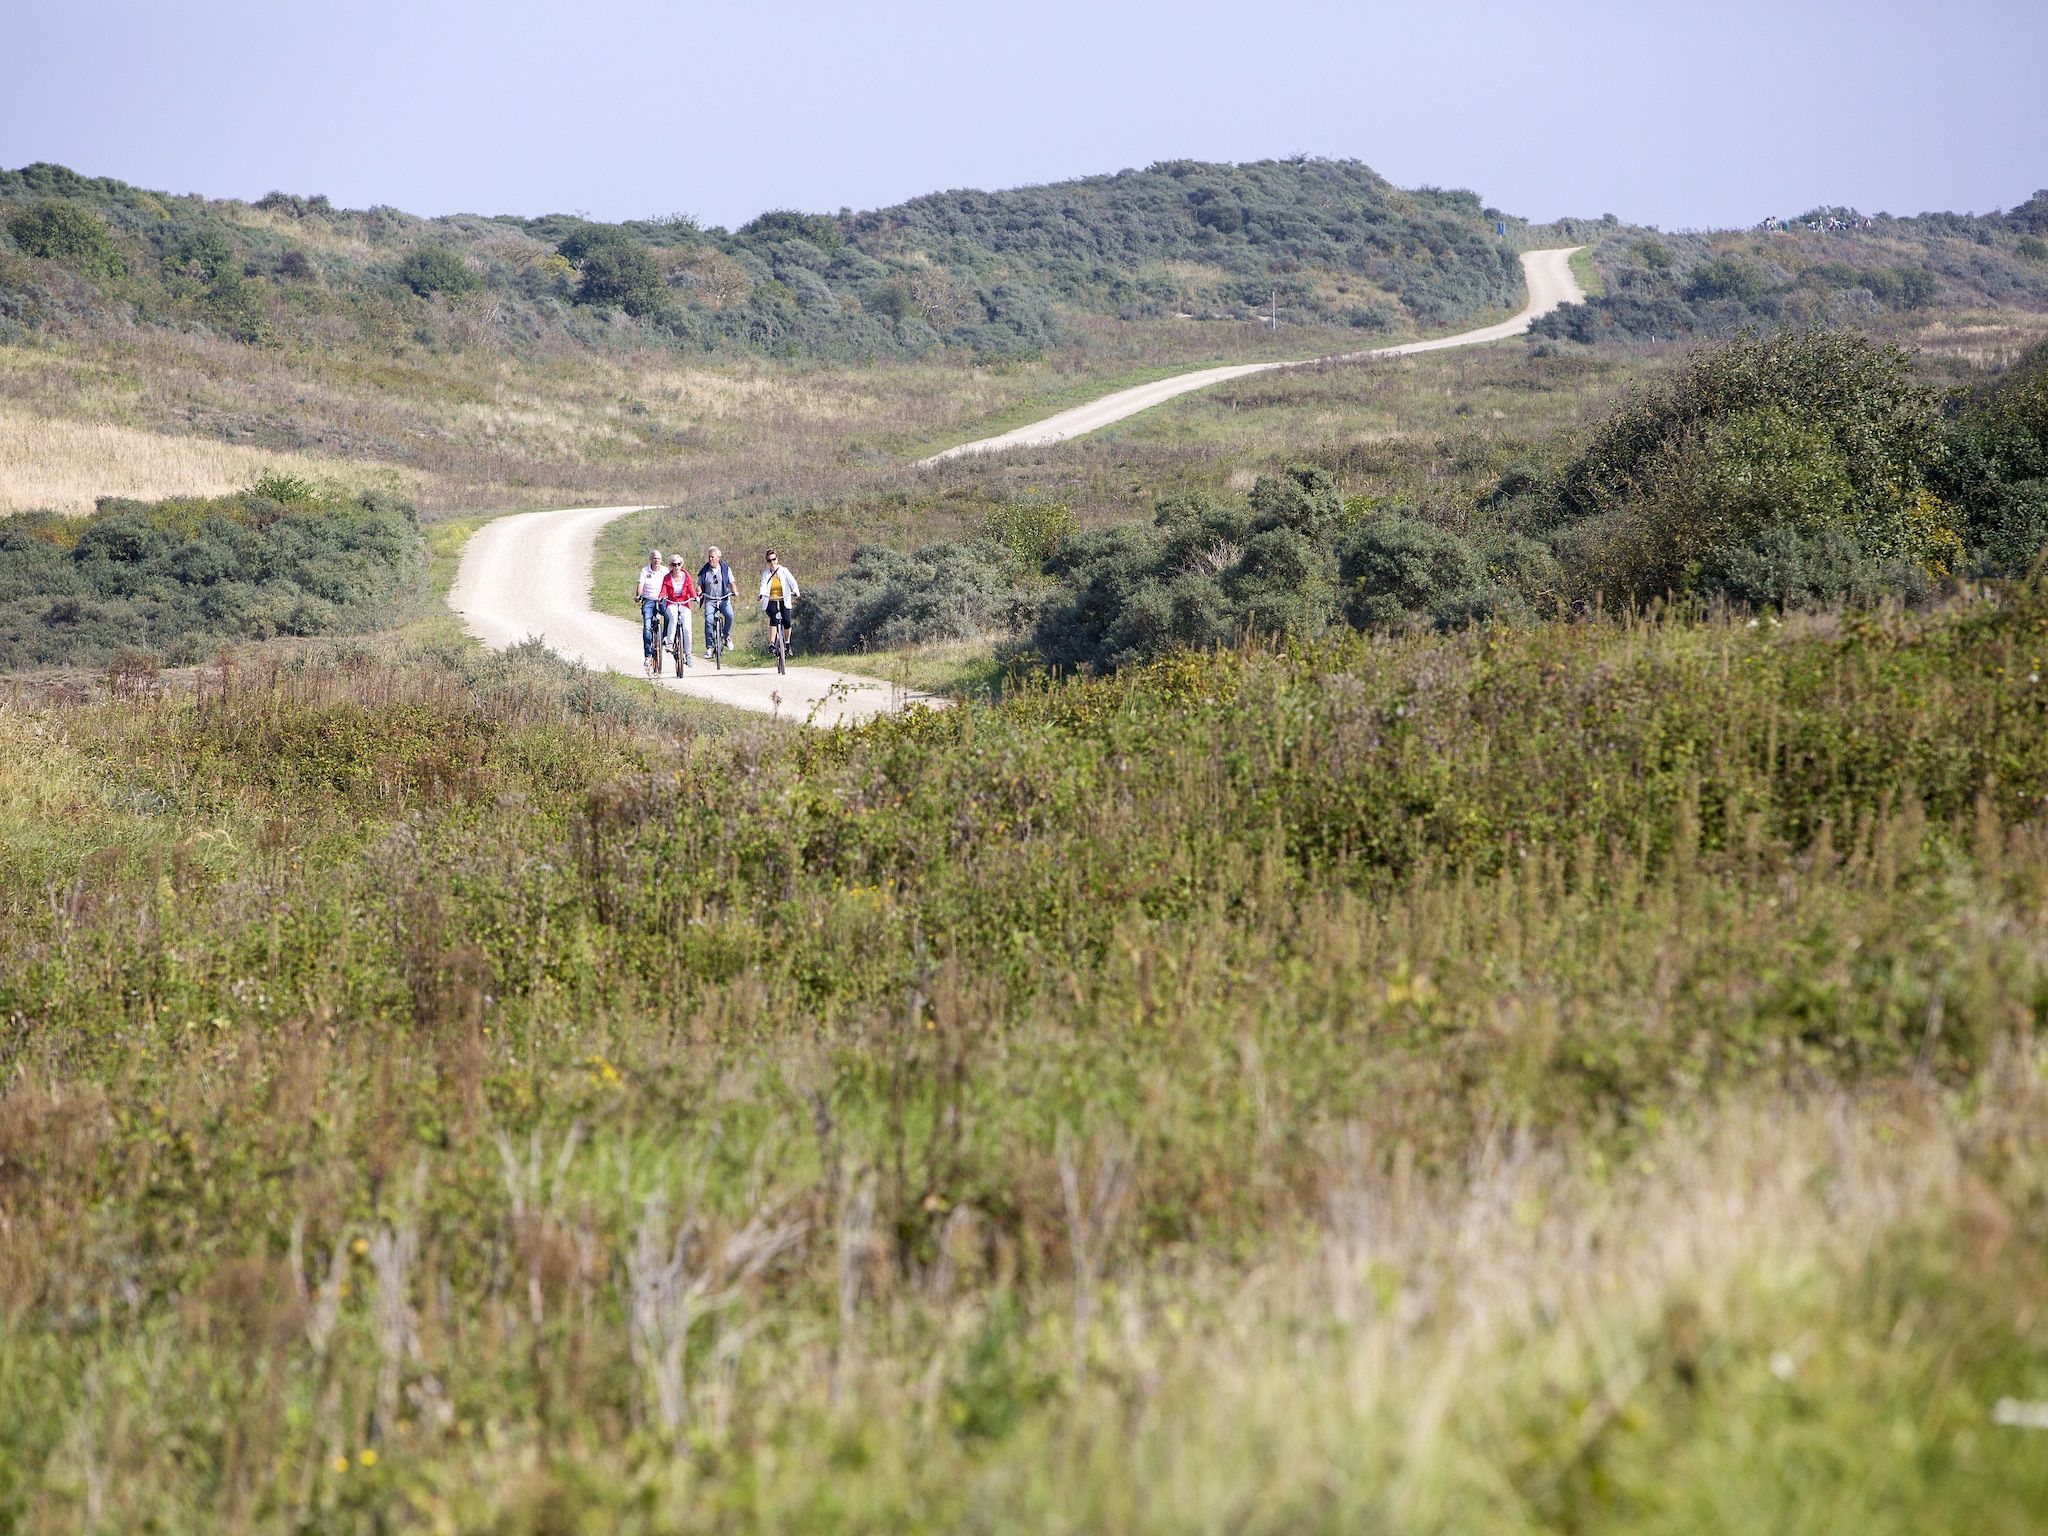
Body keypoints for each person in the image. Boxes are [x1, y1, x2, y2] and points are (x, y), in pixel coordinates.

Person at [697, 545, 737, 657]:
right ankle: (709, 647)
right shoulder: (704, 570)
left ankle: (726, 636)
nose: (710, 559)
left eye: (712, 557)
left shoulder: (725, 568)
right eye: (709, 557)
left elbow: (732, 583)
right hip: (710, 600)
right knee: (709, 620)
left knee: (730, 615)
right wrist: (699, 592)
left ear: (718, 558)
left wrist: (734, 591)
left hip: (723, 599)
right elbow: (699, 585)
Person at [661, 553, 697, 669]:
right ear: (671, 565)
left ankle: (688, 654)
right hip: (671, 603)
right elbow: (663, 590)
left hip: (684, 603)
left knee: (687, 629)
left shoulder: (686, 576)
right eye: (674, 564)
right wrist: (661, 597)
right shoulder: (667, 577)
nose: (676, 567)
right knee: (673, 617)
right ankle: (670, 643)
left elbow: (691, 589)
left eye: (678, 564)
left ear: (681, 564)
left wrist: (695, 597)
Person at [759, 549, 799, 653]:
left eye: (774, 559)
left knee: (787, 620)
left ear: (777, 559)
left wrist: (795, 591)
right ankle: (772, 644)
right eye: (769, 560)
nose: (772, 562)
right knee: (774, 617)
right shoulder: (766, 574)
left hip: (783, 597)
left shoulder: (784, 571)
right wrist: (761, 595)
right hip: (770, 598)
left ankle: (787, 643)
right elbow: (763, 586)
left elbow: (792, 582)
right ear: (767, 562)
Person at [635, 548, 666, 677]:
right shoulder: (645, 571)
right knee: (647, 627)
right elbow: (640, 585)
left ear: (661, 560)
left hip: (662, 600)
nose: (656, 560)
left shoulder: (665, 571)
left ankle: (665, 638)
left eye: (658, 558)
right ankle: (648, 656)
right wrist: (638, 595)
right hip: (648, 600)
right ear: (650, 559)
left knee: (669, 615)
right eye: (654, 558)